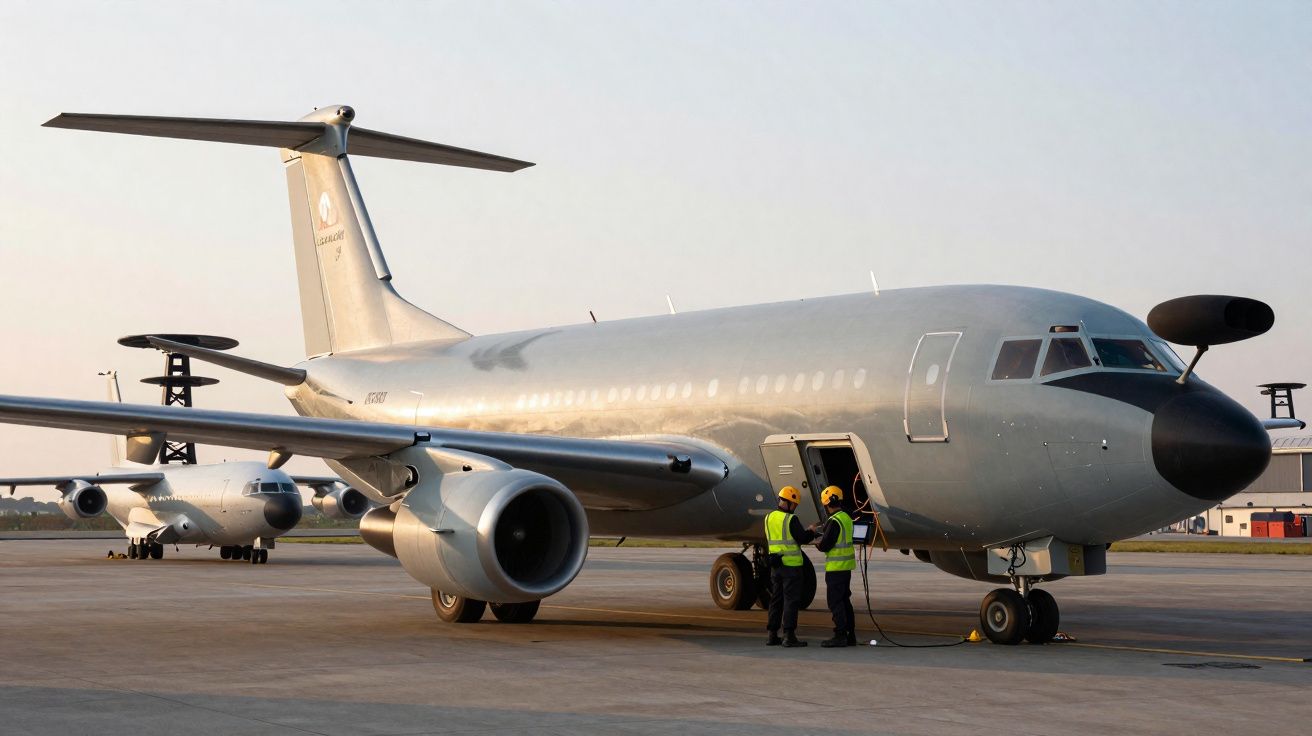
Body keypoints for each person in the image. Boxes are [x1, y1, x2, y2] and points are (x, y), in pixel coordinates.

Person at [764, 485, 816, 647]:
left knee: (776, 600)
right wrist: (811, 531)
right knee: (791, 601)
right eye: (795, 505)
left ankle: (772, 635)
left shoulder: (769, 517)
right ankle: (789, 636)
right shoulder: (790, 519)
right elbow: (802, 538)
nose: (795, 508)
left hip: (776, 566)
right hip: (791, 567)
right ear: (789, 503)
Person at [812, 485, 857, 647]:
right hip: (846, 568)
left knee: (835, 602)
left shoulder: (834, 520)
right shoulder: (846, 517)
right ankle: (850, 635)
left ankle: (840, 635)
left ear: (826, 504)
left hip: (836, 568)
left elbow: (826, 545)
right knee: (845, 601)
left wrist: (818, 543)